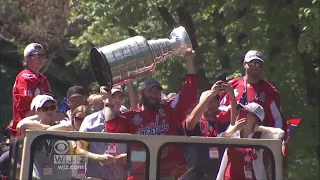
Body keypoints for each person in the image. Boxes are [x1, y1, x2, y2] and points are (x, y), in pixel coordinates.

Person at [100, 48, 197, 179]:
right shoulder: (131, 117)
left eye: (157, 92)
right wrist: (106, 99)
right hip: (142, 175)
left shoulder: (170, 110)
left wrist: (190, 60)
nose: (154, 95)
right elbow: (111, 125)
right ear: (141, 93)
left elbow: (189, 93)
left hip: (171, 174)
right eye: (150, 91)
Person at [180, 80, 237, 179]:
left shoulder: (222, 122)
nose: (212, 103)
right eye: (209, 100)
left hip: (217, 175)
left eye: (215, 100)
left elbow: (235, 125)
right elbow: (189, 124)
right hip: (194, 176)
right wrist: (210, 94)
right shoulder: (196, 121)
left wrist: (231, 96)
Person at [216, 102, 285, 180]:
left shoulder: (261, 136)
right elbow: (218, 140)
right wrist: (233, 129)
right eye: (241, 111)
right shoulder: (233, 131)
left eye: (245, 113)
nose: (241, 115)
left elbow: (280, 133)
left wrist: (260, 128)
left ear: (254, 119)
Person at [220, 50, 286, 130]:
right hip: (232, 137)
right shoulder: (232, 85)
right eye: (251, 64)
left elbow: (278, 120)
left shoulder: (270, 91)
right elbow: (219, 110)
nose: (255, 67)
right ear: (244, 64)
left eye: (259, 64)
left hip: (258, 138)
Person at [76, 86, 130, 180]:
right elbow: (78, 150)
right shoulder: (90, 120)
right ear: (105, 99)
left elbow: (143, 154)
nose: (117, 100)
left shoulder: (128, 120)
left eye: (120, 97)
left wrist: (130, 158)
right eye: (113, 97)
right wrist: (99, 158)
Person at [8, 43, 51, 137]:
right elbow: (27, 111)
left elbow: (49, 105)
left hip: (40, 127)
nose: (40, 59)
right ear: (26, 59)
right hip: (25, 130)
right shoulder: (25, 77)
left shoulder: (43, 79)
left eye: (42, 56)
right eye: (36, 55)